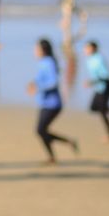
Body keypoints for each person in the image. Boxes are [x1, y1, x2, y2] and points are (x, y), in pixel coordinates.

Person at [28, 37, 78, 165]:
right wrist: (33, 84)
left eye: (36, 48)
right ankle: (54, 155)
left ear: (43, 50)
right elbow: (41, 80)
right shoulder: (43, 62)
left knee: (40, 130)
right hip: (45, 103)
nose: (34, 51)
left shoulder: (48, 62)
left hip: (53, 104)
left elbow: (54, 82)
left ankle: (66, 144)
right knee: (41, 130)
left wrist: (38, 87)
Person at [82, 39, 109, 142]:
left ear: (94, 48)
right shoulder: (89, 59)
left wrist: (92, 82)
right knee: (93, 107)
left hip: (105, 87)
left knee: (102, 112)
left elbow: (105, 76)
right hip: (98, 88)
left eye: (88, 48)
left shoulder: (99, 59)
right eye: (85, 48)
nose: (85, 50)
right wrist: (93, 82)